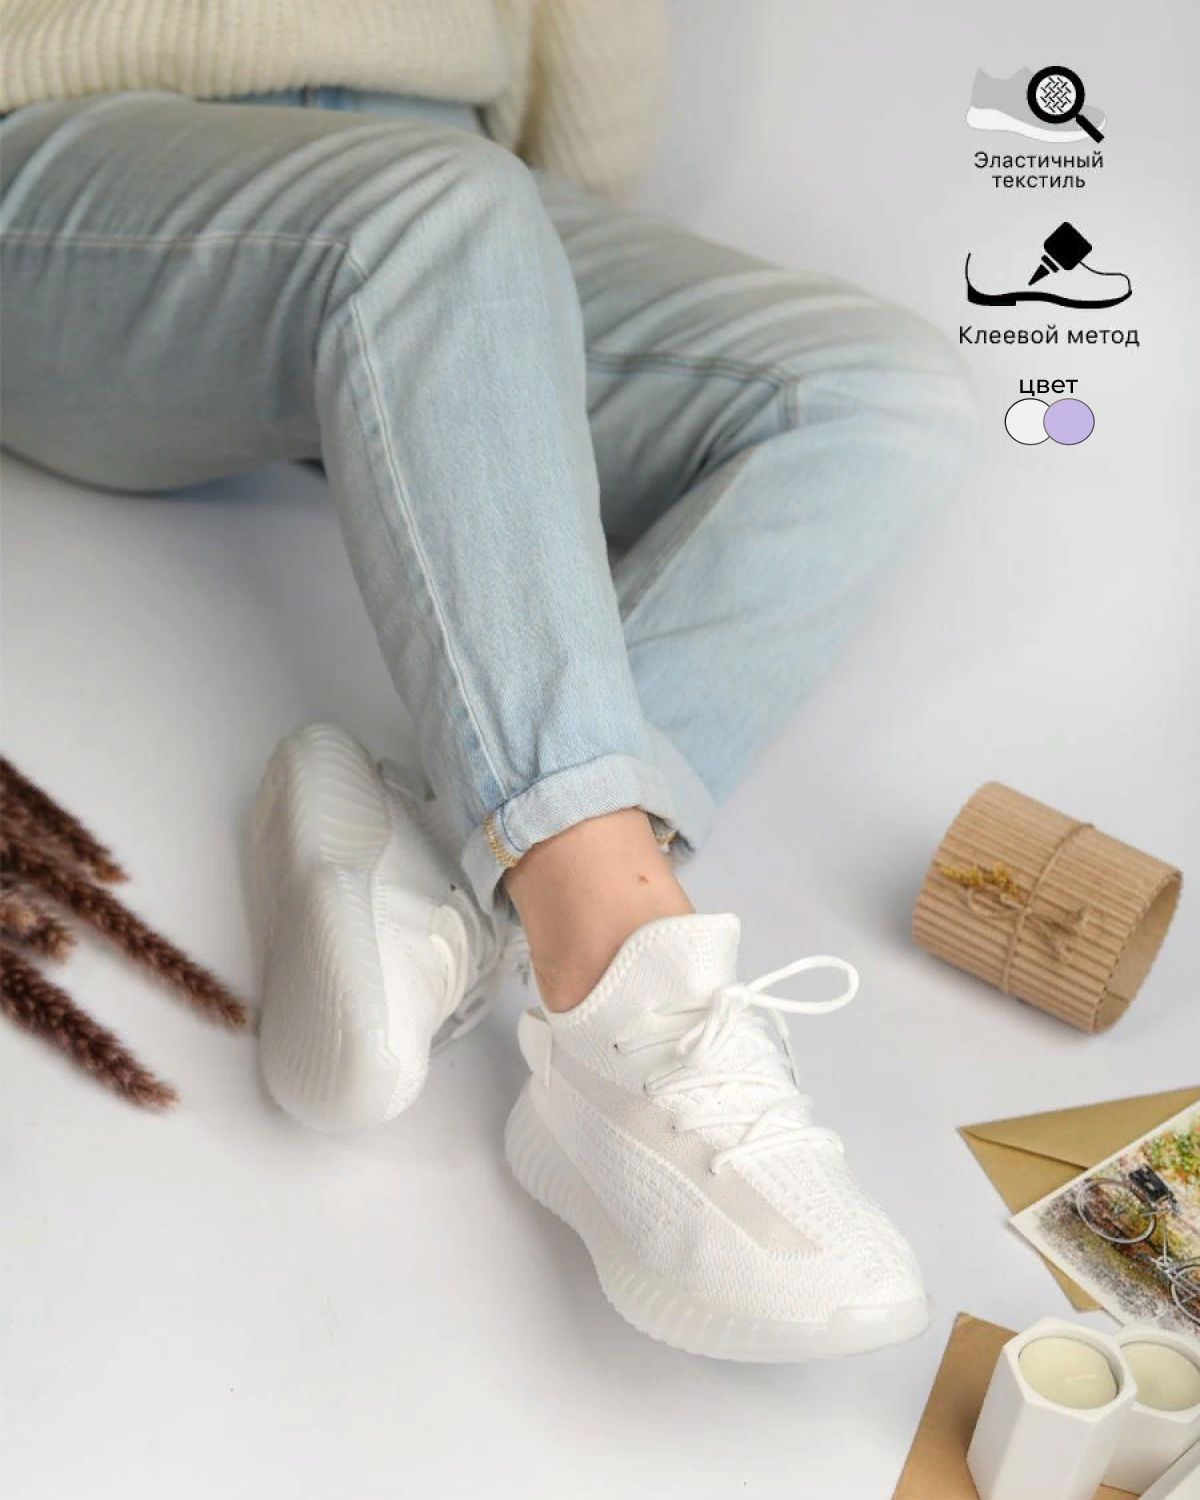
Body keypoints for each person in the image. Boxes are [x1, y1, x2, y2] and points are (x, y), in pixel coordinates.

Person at [0, 1, 974, 1362]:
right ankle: (619, 986)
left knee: (883, 395)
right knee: (432, 211)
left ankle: (440, 885)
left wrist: (486, 353)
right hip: (73, 161)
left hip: (441, 177)